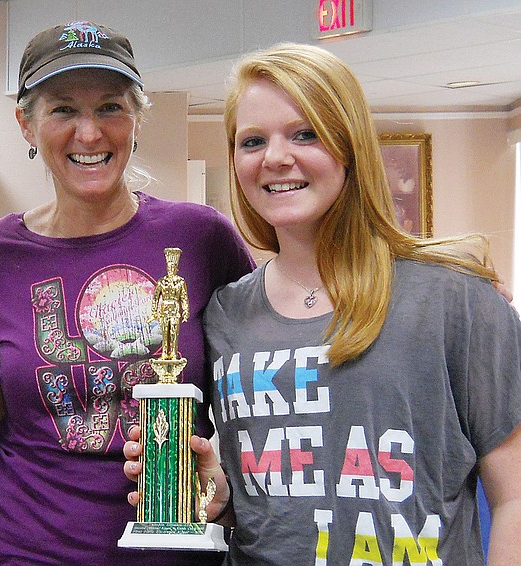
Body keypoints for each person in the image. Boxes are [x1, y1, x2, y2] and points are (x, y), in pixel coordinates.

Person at [125, 42, 521, 564]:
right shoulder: (225, 315)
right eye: (252, 141)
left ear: (349, 143)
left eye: (304, 133)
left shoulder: (456, 299)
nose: (275, 158)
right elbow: (268, 487)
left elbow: (513, 495)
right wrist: (213, 495)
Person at [0, 21, 255, 565]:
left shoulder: (201, 238)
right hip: (25, 550)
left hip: (176, 552)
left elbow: (251, 401)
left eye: (111, 108)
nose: (89, 134)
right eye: (63, 109)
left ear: (137, 119)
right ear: (26, 124)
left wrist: (230, 496)